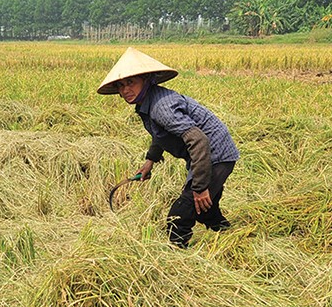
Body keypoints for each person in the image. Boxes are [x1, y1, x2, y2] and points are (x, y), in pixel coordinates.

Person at [97, 47, 239, 248]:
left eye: (131, 82)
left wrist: (199, 187)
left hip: (215, 154)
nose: (125, 89)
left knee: (179, 216)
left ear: (146, 79)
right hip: (207, 154)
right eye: (120, 85)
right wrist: (150, 162)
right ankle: (228, 236)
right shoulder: (149, 102)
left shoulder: (161, 107)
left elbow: (199, 140)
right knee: (206, 208)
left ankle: (178, 259)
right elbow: (161, 134)